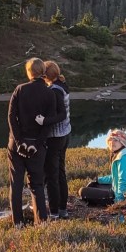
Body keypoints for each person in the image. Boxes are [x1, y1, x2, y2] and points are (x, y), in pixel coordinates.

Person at [7, 58, 65, 227]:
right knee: (37, 184)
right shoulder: (49, 93)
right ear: (43, 72)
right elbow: (49, 122)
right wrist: (38, 143)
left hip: (16, 144)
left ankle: (18, 222)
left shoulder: (20, 89)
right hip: (37, 145)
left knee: (16, 183)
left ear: (28, 72)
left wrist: (18, 141)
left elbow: (11, 117)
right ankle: (42, 222)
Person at [43, 60, 71, 219]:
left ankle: (54, 211)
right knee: (60, 172)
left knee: (52, 174)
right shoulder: (63, 85)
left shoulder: (54, 90)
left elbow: (56, 115)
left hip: (55, 136)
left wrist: (43, 121)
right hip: (65, 134)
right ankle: (62, 208)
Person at [95, 129, 126, 201]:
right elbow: (115, 177)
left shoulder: (123, 158)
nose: (112, 142)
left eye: (116, 140)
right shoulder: (121, 154)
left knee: (83, 191)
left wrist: (119, 201)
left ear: (122, 143)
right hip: (123, 191)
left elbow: (124, 181)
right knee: (94, 184)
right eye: (111, 140)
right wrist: (99, 180)